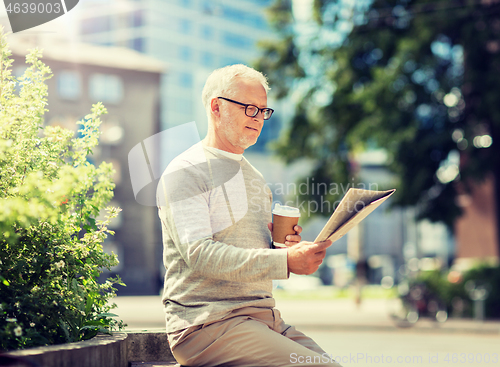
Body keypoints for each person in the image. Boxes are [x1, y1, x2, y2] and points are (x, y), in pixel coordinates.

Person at [157, 64, 341, 367]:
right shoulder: (185, 171)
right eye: (249, 109)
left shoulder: (255, 179)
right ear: (216, 107)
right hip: (208, 324)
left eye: (264, 111)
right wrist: (283, 262)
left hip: (263, 319)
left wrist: (284, 250)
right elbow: (199, 254)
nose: (258, 119)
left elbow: (251, 257)